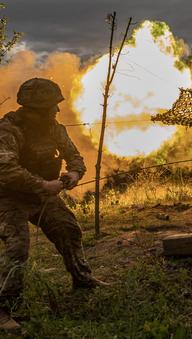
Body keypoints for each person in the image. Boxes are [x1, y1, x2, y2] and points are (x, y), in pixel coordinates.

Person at [0, 78, 107, 330]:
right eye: (51, 106)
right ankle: (5, 308)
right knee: (18, 248)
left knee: (68, 229)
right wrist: (42, 185)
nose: (56, 110)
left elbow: (75, 157)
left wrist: (74, 174)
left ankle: (82, 279)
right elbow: (5, 169)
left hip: (42, 197)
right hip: (7, 197)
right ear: (33, 109)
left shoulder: (55, 129)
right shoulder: (8, 130)